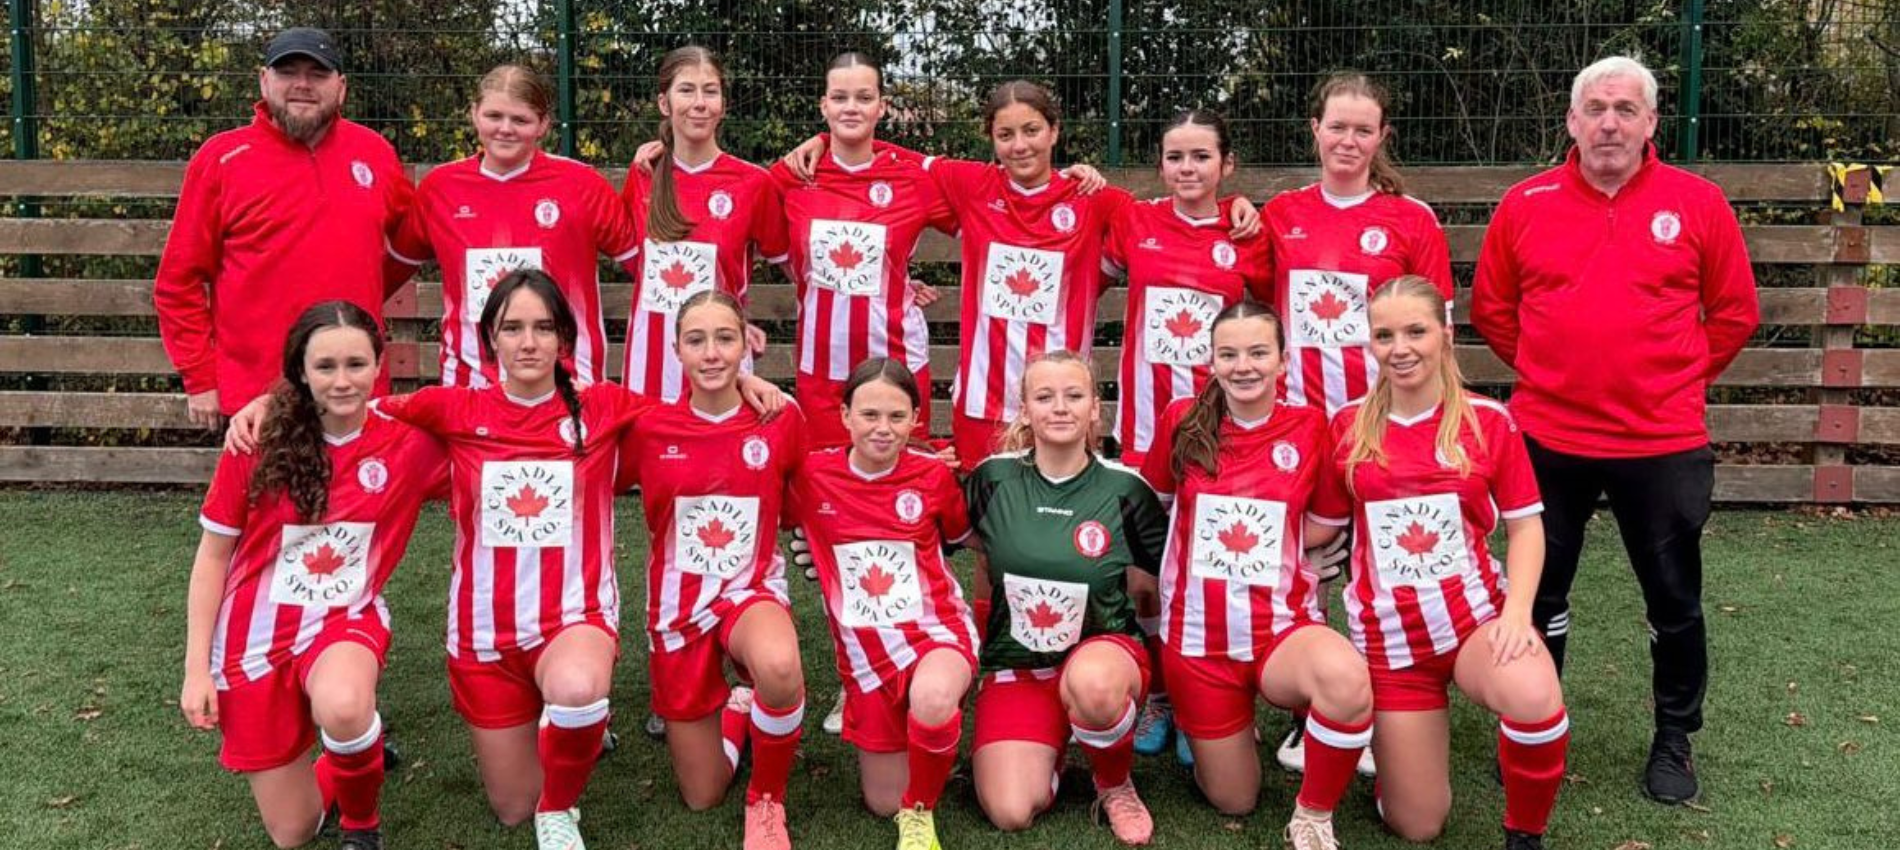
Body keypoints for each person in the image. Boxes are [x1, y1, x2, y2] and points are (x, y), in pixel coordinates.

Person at [230, 271, 781, 850]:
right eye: (512, 328)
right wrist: (273, 400)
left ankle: (564, 805)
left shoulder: (604, 407)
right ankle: (388, 760)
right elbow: (350, 403)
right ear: (490, 337)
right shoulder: (452, 409)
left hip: (574, 617)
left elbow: (693, 418)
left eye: (543, 327)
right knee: (512, 806)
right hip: (484, 636)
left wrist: (744, 382)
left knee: (575, 691)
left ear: (564, 337)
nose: (529, 342)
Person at [1470, 55, 1759, 805]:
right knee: (1537, 595)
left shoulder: (1697, 203)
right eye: (1595, 107)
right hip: (1547, 437)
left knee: (1673, 599)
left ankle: (1674, 738)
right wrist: (1554, 372)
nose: (1608, 122)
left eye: (1625, 109)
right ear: (1570, 120)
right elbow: (1493, 312)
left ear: (1651, 122)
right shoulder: (1525, 203)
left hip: (1662, 441)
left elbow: (1734, 312)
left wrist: (1673, 380)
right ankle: (1535, 725)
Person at [182, 301, 445, 850]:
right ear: (301, 371)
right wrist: (195, 670)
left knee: (345, 705)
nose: (343, 380)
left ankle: (361, 827)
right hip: (254, 637)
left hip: (343, 620)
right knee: (293, 831)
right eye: (326, 366)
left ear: (379, 367)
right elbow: (212, 558)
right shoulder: (255, 441)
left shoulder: (409, 444)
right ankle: (353, 756)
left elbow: (491, 424)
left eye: (357, 364)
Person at [1331, 276, 1569, 850]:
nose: (1401, 348)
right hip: (1391, 643)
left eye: (1416, 331)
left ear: (1446, 333)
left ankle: (1524, 834)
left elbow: (1525, 524)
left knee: (1536, 695)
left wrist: (1516, 615)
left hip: (1473, 623)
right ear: (1370, 343)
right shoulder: (1346, 425)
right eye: (1384, 335)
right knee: (1417, 825)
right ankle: (1394, 765)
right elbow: (1320, 525)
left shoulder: (1490, 421)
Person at [1262, 70, 1452, 776]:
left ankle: (1384, 707)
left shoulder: (1411, 221)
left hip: (1382, 428)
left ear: (1382, 137)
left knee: (1382, 566)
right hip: (1302, 427)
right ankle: (1310, 713)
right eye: (1336, 126)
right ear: (1314, 128)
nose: (1348, 139)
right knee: (1306, 563)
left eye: (1362, 128)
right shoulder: (1280, 214)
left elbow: (1438, 330)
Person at [1138, 302, 1371, 850]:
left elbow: (1326, 522)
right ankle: (1207, 726)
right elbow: (1154, 513)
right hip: (1198, 642)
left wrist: (1278, 549)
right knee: (1235, 799)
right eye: (1230, 354)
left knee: (1345, 680)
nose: (1245, 366)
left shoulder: (1311, 425)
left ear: (1283, 362)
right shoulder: (1181, 419)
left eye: (1259, 352)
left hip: (1280, 628)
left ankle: (1313, 816)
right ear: (1212, 361)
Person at [1099, 108, 1272, 763]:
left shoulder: (1252, 234)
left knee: (1219, 570)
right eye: (1176, 157)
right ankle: (1162, 696)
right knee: (1144, 575)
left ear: (1226, 165)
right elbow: (1087, 276)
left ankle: (1224, 703)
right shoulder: (1134, 221)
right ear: (1161, 165)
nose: (1188, 169)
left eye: (1202, 157)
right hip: (1144, 434)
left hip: (1222, 436)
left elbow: (1271, 324)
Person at [617, 291, 808, 850]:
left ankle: (767, 801)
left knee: (777, 664)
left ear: (746, 342)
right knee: (702, 794)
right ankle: (738, 713)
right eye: (696, 340)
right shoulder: (647, 429)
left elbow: (807, 495)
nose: (711, 353)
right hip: (678, 609)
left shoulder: (779, 416)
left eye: (725, 338)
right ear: (676, 349)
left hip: (750, 591)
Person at [156, 27, 414, 426]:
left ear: (341, 87)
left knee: (354, 491)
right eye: (288, 71)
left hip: (355, 389)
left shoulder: (375, 153)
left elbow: (410, 241)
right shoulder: (222, 159)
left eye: (317, 74)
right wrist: (200, 378)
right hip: (256, 396)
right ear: (264, 80)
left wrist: (364, 292)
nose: (302, 85)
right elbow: (178, 281)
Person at [963, 351, 1170, 846]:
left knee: (1095, 686)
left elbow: (1163, 579)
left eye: (1074, 396)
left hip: (1105, 655)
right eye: (1045, 397)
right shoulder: (993, 478)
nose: (1060, 408)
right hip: (1020, 666)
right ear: (1025, 409)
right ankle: (1054, 739)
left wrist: (1163, 688)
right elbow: (944, 538)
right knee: (1010, 810)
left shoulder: (1125, 489)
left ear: (1095, 409)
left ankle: (1114, 780)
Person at [787, 357, 978, 850]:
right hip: (865, 658)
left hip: (935, 633)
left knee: (933, 699)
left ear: (916, 419)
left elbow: (961, 537)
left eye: (897, 416)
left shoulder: (934, 477)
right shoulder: (810, 475)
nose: (883, 428)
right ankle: (932, 749)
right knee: (881, 801)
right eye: (869, 415)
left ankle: (920, 814)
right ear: (845, 416)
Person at [388, 64, 640, 387]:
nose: (505, 129)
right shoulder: (440, 189)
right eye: (494, 116)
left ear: (543, 125)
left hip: (568, 387)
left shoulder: (582, 185)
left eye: (520, 120)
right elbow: (385, 273)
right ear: (474, 114)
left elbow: (647, 269)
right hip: (472, 388)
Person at [767, 52, 957, 450]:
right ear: (823, 105)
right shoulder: (793, 176)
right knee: (828, 487)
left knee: (901, 486)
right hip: (821, 364)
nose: (851, 107)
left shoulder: (912, 180)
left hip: (895, 357)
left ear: (882, 106)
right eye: (839, 98)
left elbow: (986, 213)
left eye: (864, 98)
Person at [622, 46, 783, 403]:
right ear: (664, 103)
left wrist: (741, 322)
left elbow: (793, 262)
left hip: (721, 362)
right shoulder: (643, 176)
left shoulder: (753, 183)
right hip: (649, 371)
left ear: (723, 104)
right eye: (686, 90)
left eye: (710, 91)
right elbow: (635, 263)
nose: (699, 102)